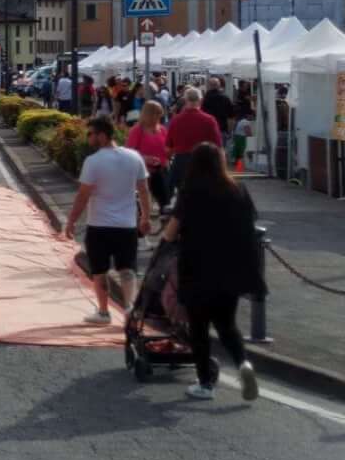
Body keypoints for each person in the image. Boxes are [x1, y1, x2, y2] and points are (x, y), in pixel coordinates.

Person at [160, 142, 261, 402]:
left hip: (197, 269)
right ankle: (243, 364)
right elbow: (250, 223)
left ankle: (205, 384)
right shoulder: (237, 189)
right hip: (231, 269)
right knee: (227, 325)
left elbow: (170, 233)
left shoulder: (190, 192)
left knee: (199, 328)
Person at [63, 116, 153, 324]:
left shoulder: (93, 161)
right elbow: (144, 190)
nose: (88, 138)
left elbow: (83, 195)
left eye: (91, 134)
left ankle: (104, 312)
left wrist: (71, 221)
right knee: (128, 268)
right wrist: (146, 217)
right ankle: (129, 308)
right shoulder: (134, 157)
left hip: (99, 224)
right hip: (127, 225)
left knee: (100, 270)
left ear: (102, 136)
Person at [166, 87, 222, 198]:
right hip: (204, 163)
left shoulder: (175, 120)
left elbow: (168, 148)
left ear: (185, 100)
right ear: (201, 100)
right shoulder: (209, 120)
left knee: (184, 197)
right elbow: (217, 146)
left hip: (181, 163)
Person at [125, 99, 171, 216]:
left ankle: (164, 221)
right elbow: (129, 153)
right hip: (142, 172)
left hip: (161, 170)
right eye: (157, 114)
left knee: (165, 202)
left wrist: (170, 153)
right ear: (148, 114)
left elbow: (167, 147)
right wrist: (144, 158)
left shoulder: (162, 130)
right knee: (141, 203)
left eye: (160, 114)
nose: (159, 117)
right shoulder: (137, 130)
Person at [203, 77, 235, 152]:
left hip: (207, 131)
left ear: (208, 86)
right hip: (222, 130)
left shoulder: (204, 99)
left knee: (208, 153)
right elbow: (231, 117)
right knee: (220, 153)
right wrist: (229, 131)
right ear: (219, 86)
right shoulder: (226, 98)